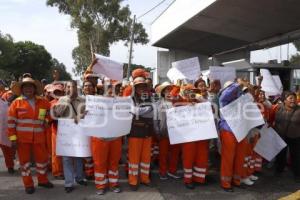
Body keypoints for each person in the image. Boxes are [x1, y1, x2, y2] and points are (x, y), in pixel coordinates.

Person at [8, 77, 54, 194]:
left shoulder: (43, 101)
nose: (28, 89)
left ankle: (42, 180)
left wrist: (47, 121)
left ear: (34, 89)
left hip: (39, 137)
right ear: (22, 89)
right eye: (25, 87)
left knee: (42, 161)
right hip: (22, 139)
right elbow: (11, 122)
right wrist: (13, 139)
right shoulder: (16, 103)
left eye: (30, 86)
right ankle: (28, 184)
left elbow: (50, 115)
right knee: (25, 163)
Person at [88, 80, 123, 195]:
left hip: (115, 137)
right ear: (103, 88)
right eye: (109, 87)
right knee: (99, 163)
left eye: (114, 87)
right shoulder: (95, 101)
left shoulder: (121, 102)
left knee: (114, 162)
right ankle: (100, 185)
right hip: (99, 138)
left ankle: (114, 183)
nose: (111, 90)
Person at [53, 80, 87, 193]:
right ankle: (69, 183)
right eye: (68, 87)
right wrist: (67, 100)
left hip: (79, 134)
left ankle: (79, 178)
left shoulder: (83, 100)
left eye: (72, 86)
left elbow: (88, 115)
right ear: (65, 88)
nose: (70, 89)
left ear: (77, 88)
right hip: (66, 135)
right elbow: (57, 114)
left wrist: (82, 115)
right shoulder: (62, 99)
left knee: (78, 156)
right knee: (67, 159)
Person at [219, 81, 248, 192]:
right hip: (228, 131)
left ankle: (236, 180)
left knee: (240, 157)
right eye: (232, 88)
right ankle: (225, 183)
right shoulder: (224, 98)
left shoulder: (241, 98)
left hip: (241, 130)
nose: (237, 90)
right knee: (228, 158)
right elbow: (227, 93)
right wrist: (237, 84)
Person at [128, 77, 154, 191]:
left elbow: (156, 110)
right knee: (134, 159)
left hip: (148, 132)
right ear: (135, 87)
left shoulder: (150, 97)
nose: (141, 88)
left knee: (146, 158)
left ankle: (145, 178)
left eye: (143, 86)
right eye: (139, 86)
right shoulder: (130, 98)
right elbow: (135, 111)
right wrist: (149, 108)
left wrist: (150, 108)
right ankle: (133, 181)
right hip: (135, 133)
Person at [274, 91, 300, 183]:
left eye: (294, 98)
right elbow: (273, 120)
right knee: (281, 154)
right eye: (290, 98)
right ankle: (279, 170)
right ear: (284, 100)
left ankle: (297, 174)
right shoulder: (278, 108)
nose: (293, 100)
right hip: (281, 135)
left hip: (295, 136)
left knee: (296, 156)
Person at [49, 84, 65, 179]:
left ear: (63, 92)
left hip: (68, 131)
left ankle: (67, 170)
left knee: (67, 151)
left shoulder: (68, 102)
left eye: (59, 91)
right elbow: (49, 117)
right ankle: (57, 172)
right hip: (56, 130)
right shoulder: (50, 103)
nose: (57, 93)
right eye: (55, 92)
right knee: (56, 152)